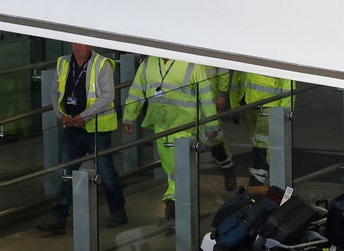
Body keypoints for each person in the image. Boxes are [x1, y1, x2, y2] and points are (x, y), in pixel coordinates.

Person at [37, 43, 128, 235]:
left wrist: (84, 116)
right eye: (75, 43)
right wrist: (59, 113)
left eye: (82, 43)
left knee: (106, 171)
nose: (78, 47)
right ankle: (59, 218)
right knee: (67, 172)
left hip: (97, 128)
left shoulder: (101, 64)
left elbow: (108, 96)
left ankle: (118, 212)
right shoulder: (63, 62)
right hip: (71, 126)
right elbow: (55, 91)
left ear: (90, 44)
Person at [121, 57, 219, 225]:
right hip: (161, 125)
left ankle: (174, 205)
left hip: (185, 126)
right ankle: (177, 206)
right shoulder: (148, 64)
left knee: (180, 168)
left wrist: (212, 126)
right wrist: (129, 116)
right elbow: (137, 90)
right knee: (170, 167)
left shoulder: (192, 64)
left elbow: (206, 96)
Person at [231, 71, 293, 187]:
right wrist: (235, 105)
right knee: (257, 142)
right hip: (248, 104)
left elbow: (288, 83)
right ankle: (261, 179)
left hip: (270, 106)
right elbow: (237, 79)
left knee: (263, 144)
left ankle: (260, 178)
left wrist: (284, 111)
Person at [202, 64, 238, 191]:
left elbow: (222, 66)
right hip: (187, 100)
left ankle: (227, 168)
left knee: (214, 140)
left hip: (209, 99)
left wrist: (222, 93)